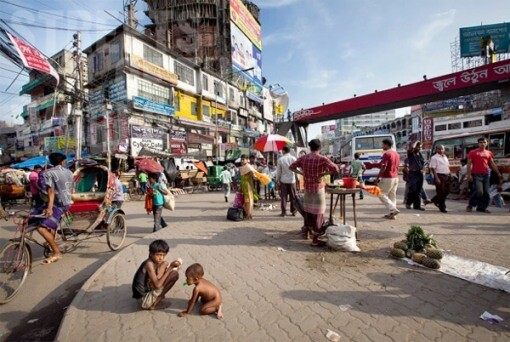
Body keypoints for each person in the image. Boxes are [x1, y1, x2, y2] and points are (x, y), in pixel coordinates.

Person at [289, 139, 339, 247]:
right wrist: (324, 173)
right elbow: (336, 169)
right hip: (318, 189)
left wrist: (301, 172)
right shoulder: (322, 158)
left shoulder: (303, 158)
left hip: (307, 188)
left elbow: (291, 167)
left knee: (308, 212)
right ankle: (315, 239)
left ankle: (307, 233)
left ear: (310, 147)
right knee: (318, 213)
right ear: (319, 147)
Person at [29, 153, 74, 264]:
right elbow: (71, 189)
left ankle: (57, 252)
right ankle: (54, 235)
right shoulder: (69, 172)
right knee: (33, 219)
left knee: (41, 228)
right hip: (64, 202)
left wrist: (49, 208)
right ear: (63, 161)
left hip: (58, 204)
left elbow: (50, 191)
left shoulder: (48, 173)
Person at [132, 239, 180, 310]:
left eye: (163, 255)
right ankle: (155, 303)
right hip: (143, 300)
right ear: (151, 253)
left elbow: (157, 277)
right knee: (174, 274)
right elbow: (157, 285)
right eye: (158, 255)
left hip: (146, 293)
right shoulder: (149, 264)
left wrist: (167, 268)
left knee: (166, 265)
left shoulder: (154, 261)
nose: (161, 258)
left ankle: (156, 300)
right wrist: (170, 268)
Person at [466, 137, 503, 213]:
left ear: (487, 143)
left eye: (484, 142)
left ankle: (481, 207)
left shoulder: (489, 153)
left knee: (486, 193)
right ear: (478, 144)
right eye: (480, 142)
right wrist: (469, 175)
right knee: (479, 191)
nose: (482, 144)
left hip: (486, 175)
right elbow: (469, 164)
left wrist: (498, 173)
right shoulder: (473, 152)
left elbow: (492, 164)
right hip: (476, 175)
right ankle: (470, 205)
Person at [375, 138, 400, 219]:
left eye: (383, 144)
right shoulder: (396, 154)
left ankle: (393, 209)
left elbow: (383, 167)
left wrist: (377, 178)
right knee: (392, 196)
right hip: (395, 177)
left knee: (380, 193)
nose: (382, 146)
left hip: (388, 177)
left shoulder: (387, 154)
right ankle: (392, 213)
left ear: (387, 145)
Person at [429, 145, 451, 213]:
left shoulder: (445, 157)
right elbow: (433, 168)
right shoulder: (434, 157)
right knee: (440, 192)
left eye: (442, 149)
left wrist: (450, 174)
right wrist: (436, 178)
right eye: (439, 149)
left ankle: (435, 200)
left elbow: (447, 166)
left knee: (447, 191)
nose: (441, 150)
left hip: (447, 175)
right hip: (439, 176)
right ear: (436, 150)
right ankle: (442, 207)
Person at [276, 146, 297, 217]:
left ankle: (284, 212)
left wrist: (277, 179)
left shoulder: (280, 159)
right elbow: (297, 170)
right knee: (293, 196)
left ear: (284, 151)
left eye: (282, 150)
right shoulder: (293, 158)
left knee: (284, 197)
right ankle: (294, 211)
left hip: (283, 180)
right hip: (292, 180)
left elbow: (278, 171)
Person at [405, 141, 425, 211]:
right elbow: (411, 148)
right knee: (412, 189)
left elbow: (423, 163)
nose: (420, 148)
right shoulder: (411, 154)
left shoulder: (420, 154)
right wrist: (416, 142)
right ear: (415, 147)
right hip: (413, 173)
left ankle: (417, 206)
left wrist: (423, 169)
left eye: (421, 147)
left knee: (418, 190)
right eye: (418, 147)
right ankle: (408, 203)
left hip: (420, 173)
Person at [239, 155, 257, 219]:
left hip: (248, 185)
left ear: (247, 159)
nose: (242, 161)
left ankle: (249, 214)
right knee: (244, 200)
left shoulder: (248, 167)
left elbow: (253, 173)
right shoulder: (242, 167)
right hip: (243, 185)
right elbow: (242, 177)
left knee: (248, 200)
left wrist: (249, 177)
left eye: (243, 159)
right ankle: (247, 213)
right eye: (241, 159)